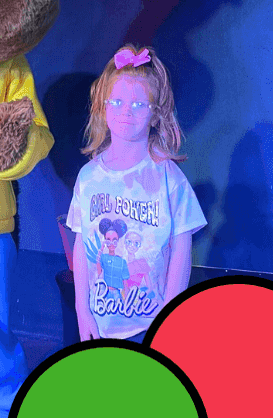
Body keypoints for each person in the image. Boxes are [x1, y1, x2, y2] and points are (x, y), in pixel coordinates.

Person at [65, 45, 204, 344]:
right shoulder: (88, 177)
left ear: (156, 115)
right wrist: (81, 309)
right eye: (116, 101)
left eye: (139, 104)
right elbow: (81, 243)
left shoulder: (168, 177)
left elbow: (182, 247)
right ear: (102, 107)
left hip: (151, 325)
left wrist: (170, 315)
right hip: (99, 323)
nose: (126, 111)